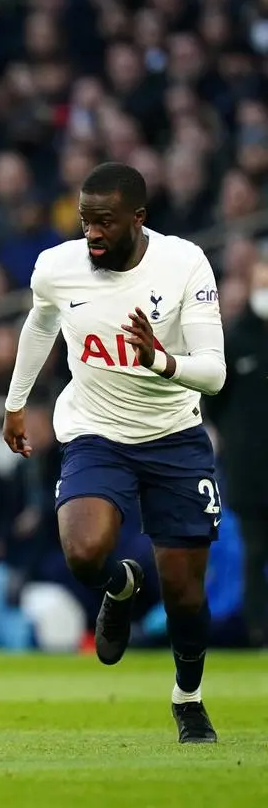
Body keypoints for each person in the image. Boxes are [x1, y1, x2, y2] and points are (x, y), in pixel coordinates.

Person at [3, 162, 225, 744]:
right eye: (85, 220)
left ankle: (188, 698)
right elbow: (40, 323)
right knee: (82, 551)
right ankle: (120, 586)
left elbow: (215, 373)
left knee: (183, 592)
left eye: (104, 221)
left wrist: (158, 359)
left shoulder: (184, 263)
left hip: (174, 436)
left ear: (138, 219)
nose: (92, 233)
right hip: (96, 432)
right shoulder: (57, 267)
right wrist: (14, 402)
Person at [204, 257, 268, 647]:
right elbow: (216, 398)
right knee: (255, 551)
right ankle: (258, 630)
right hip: (250, 468)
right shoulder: (236, 339)